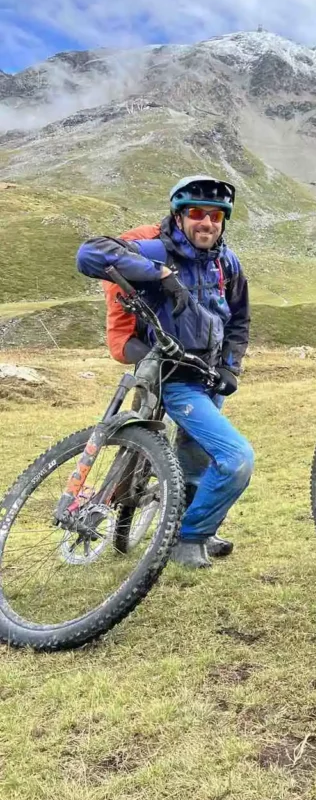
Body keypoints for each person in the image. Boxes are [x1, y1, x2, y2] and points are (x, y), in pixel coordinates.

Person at [76, 174, 253, 570]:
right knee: (236, 458)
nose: (206, 223)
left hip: (210, 378)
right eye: (196, 213)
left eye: (216, 216)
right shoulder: (157, 250)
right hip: (175, 377)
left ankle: (189, 524)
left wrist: (230, 366)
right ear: (179, 215)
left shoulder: (227, 263)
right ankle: (188, 537)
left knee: (195, 459)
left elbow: (239, 319)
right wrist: (158, 274)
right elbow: (88, 255)